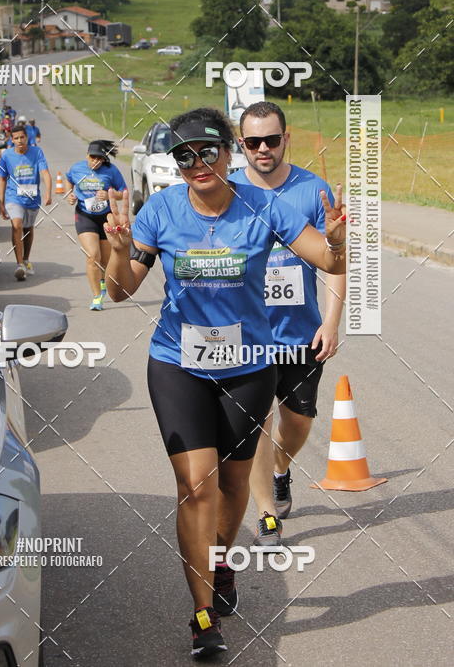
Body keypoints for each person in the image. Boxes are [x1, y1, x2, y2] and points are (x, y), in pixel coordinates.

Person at [104, 108, 346, 659]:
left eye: (206, 151)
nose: (196, 164)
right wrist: (117, 250)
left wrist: (337, 242)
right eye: (183, 156)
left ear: (227, 154)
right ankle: (202, 615)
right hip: (177, 364)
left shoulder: (263, 205)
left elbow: (329, 260)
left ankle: (220, 562)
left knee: (235, 488)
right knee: (196, 487)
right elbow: (120, 291)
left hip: (250, 366)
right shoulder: (161, 209)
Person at [236, 102, 346, 532]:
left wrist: (331, 323)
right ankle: (267, 513)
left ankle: (280, 468)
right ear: (241, 144)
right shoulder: (228, 191)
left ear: (286, 139)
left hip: (302, 333)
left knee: (298, 422)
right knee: (258, 422)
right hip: (248, 336)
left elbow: (336, 262)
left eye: (272, 139)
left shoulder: (311, 189)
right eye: (253, 141)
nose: (263, 148)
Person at [64, 140, 127, 310]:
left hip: (105, 217)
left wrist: (109, 195)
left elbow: (123, 192)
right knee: (93, 255)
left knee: (105, 260)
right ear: (87, 155)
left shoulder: (111, 171)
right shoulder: (77, 168)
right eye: (93, 157)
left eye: (100, 158)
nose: (96, 161)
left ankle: (102, 281)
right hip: (85, 216)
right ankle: (97, 297)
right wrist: (70, 194)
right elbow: (68, 179)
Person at [0, 123, 52, 281]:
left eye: (22, 137)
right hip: (13, 197)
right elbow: (2, 179)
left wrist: (49, 192)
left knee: (28, 229)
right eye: (16, 138)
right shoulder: (7, 156)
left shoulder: (36, 152)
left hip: (32, 198)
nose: (20, 140)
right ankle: (19, 264)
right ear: (12, 140)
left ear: (27, 138)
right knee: (17, 225)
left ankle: (26, 259)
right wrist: (1, 202)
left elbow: (45, 173)